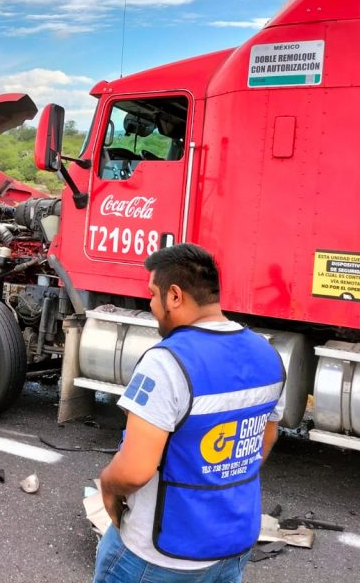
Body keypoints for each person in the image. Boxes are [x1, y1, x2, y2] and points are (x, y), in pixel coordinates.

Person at [95, 244, 285, 583]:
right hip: (231, 548)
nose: (150, 305)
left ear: (175, 296)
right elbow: (262, 443)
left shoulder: (166, 363)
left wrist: (107, 486)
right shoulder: (267, 355)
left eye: (153, 295)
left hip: (157, 556)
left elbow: (135, 470)